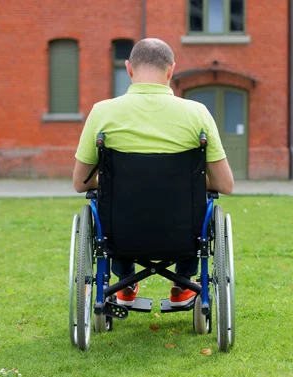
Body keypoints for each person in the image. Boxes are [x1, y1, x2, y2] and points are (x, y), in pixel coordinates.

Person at [73, 38, 234, 308]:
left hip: (122, 234)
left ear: (129, 69)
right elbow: (225, 184)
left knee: (106, 198)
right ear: (171, 70)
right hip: (182, 235)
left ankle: (124, 282)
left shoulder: (102, 112)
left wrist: (118, 179)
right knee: (201, 202)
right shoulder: (197, 114)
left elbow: (80, 182)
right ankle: (184, 282)